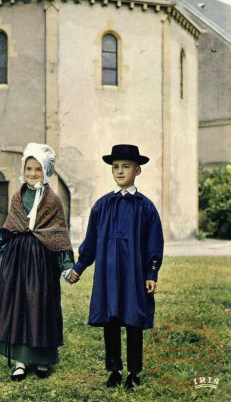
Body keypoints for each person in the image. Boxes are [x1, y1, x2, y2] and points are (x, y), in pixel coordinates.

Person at [0, 143, 74, 381]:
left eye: (38, 169)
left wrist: (66, 266)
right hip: (18, 261)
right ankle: (21, 361)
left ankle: (43, 360)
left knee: (42, 307)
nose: (33, 173)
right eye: (29, 168)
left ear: (47, 171)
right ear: (23, 169)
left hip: (43, 262)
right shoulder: (17, 197)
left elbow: (59, 235)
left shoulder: (53, 200)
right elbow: (8, 230)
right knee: (20, 307)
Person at [69, 144, 164, 390]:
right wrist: (80, 266)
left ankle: (133, 372)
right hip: (108, 275)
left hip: (134, 275)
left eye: (126, 166)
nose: (120, 171)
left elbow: (154, 243)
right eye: (115, 167)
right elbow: (90, 242)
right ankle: (114, 370)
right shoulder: (102, 206)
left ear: (137, 171)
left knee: (133, 320)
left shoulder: (145, 207)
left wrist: (151, 273)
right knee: (110, 321)